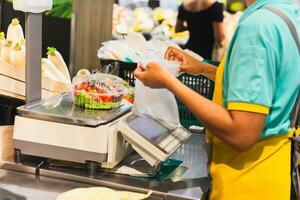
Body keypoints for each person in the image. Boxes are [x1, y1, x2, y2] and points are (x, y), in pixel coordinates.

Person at [134, 0, 300, 199]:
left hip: (245, 183)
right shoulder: (285, 14)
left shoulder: (257, 28)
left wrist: (169, 82)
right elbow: (266, 84)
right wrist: (203, 68)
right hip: (276, 173)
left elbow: (242, 134)